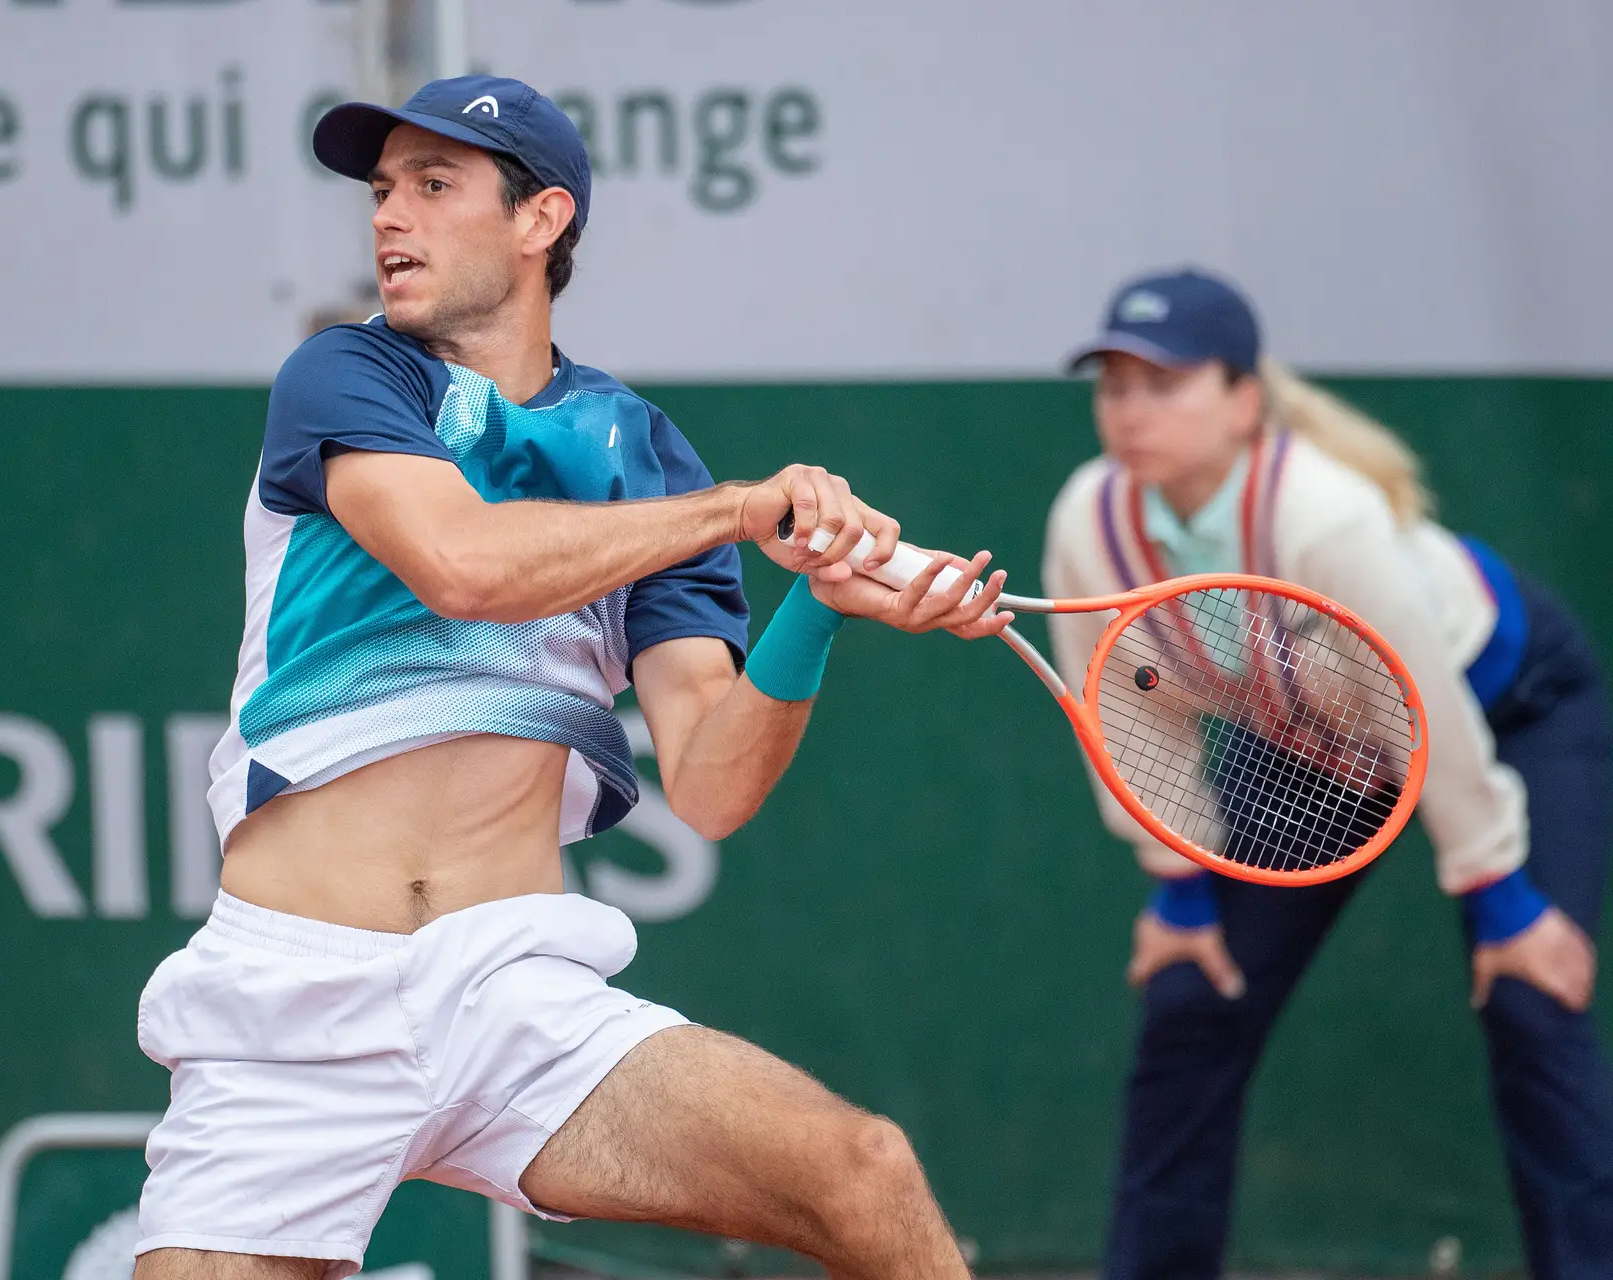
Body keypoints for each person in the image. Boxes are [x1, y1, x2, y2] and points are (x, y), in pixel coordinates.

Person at [131, 75, 1011, 1280]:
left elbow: (708, 782)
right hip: (294, 999)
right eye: (384, 191)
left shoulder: (643, 455)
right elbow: (460, 563)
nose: (391, 218)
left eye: (435, 188)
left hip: (511, 993)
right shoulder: (347, 378)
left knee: (864, 1172)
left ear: (540, 220)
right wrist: (740, 510)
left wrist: (813, 604)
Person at [1042, 267, 1613, 1279]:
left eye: (1163, 383)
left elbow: (1428, 716)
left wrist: (1497, 891)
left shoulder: (1327, 517)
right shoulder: (1091, 519)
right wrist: (1177, 885)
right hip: (1313, 743)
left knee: (1532, 993)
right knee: (1191, 994)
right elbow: (1129, 699)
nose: (1130, 411)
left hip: (1503, 708)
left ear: (1243, 397)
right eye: (1114, 385)